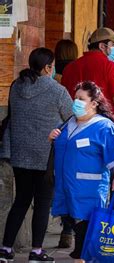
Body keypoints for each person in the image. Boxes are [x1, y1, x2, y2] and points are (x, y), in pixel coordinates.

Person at [0, 48, 73, 262]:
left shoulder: (16, 86)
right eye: (52, 66)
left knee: (21, 200)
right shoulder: (57, 90)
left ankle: (5, 249)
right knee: (43, 203)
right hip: (46, 155)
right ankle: (37, 251)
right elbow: (71, 117)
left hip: (20, 154)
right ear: (47, 68)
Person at [49, 81, 114, 262]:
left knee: (86, 227)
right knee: (72, 222)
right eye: (75, 98)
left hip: (89, 188)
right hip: (66, 186)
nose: (76, 101)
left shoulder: (104, 127)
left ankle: (82, 259)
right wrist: (53, 136)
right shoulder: (68, 123)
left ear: (94, 103)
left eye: (81, 99)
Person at [61, 27, 114, 210]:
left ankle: (71, 228)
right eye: (113, 45)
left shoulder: (71, 67)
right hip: (107, 131)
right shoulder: (108, 66)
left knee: (81, 179)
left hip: (76, 130)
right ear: (103, 46)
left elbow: (64, 102)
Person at [52, 39, 80, 249]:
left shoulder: (55, 75)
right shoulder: (76, 70)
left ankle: (66, 228)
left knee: (58, 181)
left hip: (53, 132)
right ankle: (71, 229)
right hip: (72, 128)